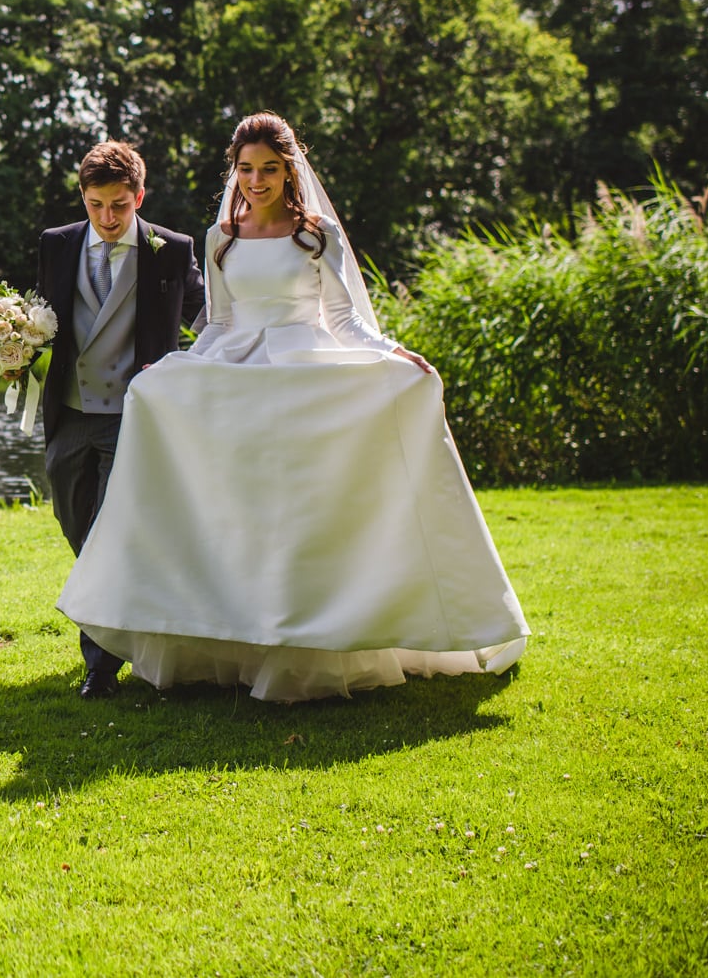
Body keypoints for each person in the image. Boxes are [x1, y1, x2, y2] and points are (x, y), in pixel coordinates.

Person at [57, 113, 528, 703]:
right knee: (233, 496)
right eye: (246, 169)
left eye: (269, 169)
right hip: (241, 367)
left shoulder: (317, 231)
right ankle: (233, 638)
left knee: (302, 510)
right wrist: (178, 365)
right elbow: (220, 323)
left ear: (289, 169)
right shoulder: (221, 235)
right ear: (235, 171)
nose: (256, 181)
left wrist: (391, 352)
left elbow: (342, 317)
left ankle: (314, 636)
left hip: (304, 369)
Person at [37, 141, 205, 699]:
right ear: (82, 199)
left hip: (133, 417)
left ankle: (100, 666)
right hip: (69, 412)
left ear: (140, 195)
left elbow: (210, 321)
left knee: (110, 533)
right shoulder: (57, 245)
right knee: (75, 525)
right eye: (95, 206)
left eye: (119, 206)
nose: (107, 219)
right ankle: (125, 620)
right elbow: (42, 321)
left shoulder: (171, 250)